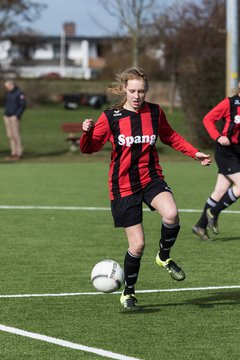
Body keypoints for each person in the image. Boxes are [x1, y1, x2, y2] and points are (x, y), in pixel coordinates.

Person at [80, 67, 211, 311]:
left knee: (171, 214)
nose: (137, 96)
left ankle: (163, 256)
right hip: (123, 185)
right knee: (137, 245)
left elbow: (170, 136)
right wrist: (86, 134)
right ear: (124, 90)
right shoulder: (110, 117)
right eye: (132, 91)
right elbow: (89, 149)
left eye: (141, 91)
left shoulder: (154, 112)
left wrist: (194, 153)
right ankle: (128, 293)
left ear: (146, 90)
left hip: (150, 177)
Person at [192, 91, 240, 241]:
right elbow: (208, 119)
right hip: (226, 152)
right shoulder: (230, 103)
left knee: (220, 191)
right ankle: (214, 212)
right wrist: (218, 137)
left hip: (238, 153)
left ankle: (200, 226)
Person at [3, 80, 26, 160]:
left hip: (14, 117)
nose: (7, 88)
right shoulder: (8, 93)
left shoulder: (19, 93)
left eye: (8, 86)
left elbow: (22, 105)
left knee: (16, 135)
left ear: (12, 85)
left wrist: (16, 115)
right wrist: (5, 114)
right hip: (7, 116)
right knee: (10, 136)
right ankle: (13, 152)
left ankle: (19, 153)